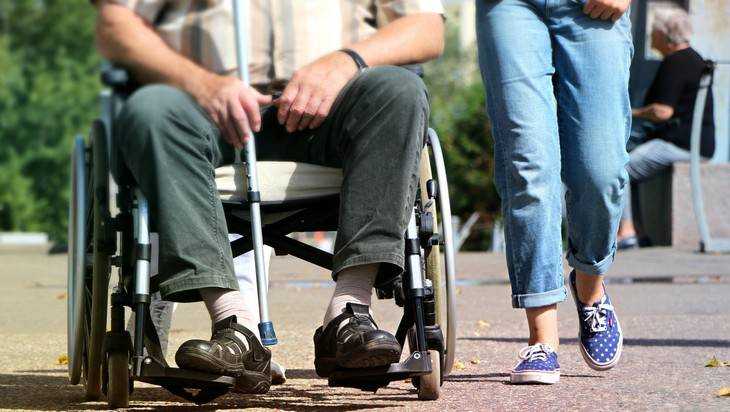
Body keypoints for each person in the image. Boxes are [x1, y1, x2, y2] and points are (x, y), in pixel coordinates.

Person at [93, 0, 444, 394]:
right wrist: (200, 82)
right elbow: (116, 23)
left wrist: (346, 60)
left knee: (400, 90)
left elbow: (426, 27)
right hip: (205, 110)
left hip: (335, 111)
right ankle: (234, 323)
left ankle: (350, 310)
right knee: (151, 109)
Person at [476, 0, 632, 384]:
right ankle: (542, 339)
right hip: (509, 7)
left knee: (600, 170)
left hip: (592, 9)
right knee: (529, 168)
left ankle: (589, 286)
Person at [617, 4, 715, 249]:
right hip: (695, 143)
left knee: (621, 167)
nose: (651, 35)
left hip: (680, 144)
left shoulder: (676, 61)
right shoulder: (694, 58)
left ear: (664, 33)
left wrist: (629, 112)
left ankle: (627, 231)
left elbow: (662, 112)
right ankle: (638, 231)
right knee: (628, 162)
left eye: (654, 31)